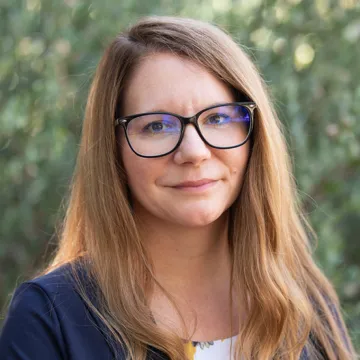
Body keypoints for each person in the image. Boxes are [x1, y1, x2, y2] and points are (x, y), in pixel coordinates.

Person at [0, 16, 356, 360]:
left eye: (217, 118)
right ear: (113, 149)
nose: (194, 152)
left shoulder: (302, 302)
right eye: (157, 126)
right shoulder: (49, 319)